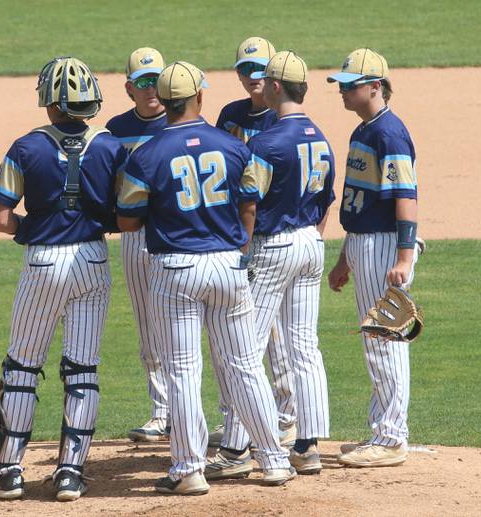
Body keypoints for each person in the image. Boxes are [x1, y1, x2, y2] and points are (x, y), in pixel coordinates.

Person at [117, 61, 295, 495]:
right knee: (246, 366)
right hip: (229, 267)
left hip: (176, 270)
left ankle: (188, 469)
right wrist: (238, 249)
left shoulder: (147, 155)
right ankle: (274, 460)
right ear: (200, 97)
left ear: (166, 101)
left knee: (183, 370)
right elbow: (250, 206)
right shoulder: (234, 147)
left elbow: (127, 223)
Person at [0, 56, 127, 502]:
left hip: (43, 263)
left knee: (23, 366)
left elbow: (1, 219)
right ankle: (70, 474)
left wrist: (38, 229)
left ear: (47, 101)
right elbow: (126, 212)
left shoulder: (26, 147)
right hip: (94, 260)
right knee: (82, 367)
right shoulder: (112, 147)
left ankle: (7, 472)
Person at [208, 51, 335, 479]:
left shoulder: (266, 143)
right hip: (310, 244)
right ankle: (308, 445)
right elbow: (325, 202)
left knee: (245, 348)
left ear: (276, 87)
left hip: (272, 246)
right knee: (305, 346)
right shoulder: (320, 137)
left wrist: (243, 253)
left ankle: (235, 447)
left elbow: (248, 203)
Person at [326, 48, 420, 468]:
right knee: (375, 339)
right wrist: (346, 258)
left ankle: (391, 437)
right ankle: (383, 430)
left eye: (350, 85)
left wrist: (403, 256)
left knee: (386, 339)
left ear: (375, 87)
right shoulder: (363, 131)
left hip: (385, 246)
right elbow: (359, 201)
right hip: (365, 242)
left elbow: (406, 198)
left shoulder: (390, 134)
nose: (342, 91)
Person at [209, 36, 297, 452]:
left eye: (260, 70)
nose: (253, 78)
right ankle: (244, 420)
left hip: (268, 235)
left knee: (271, 333)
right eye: (245, 70)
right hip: (235, 235)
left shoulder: (284, 119)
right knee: (241, 332)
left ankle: (284, 417)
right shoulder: (230, 115)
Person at [105, 47, 170, 443]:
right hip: (134, 236)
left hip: (177, 238)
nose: (151, 89)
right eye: (143, 82)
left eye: (156, 80)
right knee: (148, 324)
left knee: (186, 325)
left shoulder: (181, 121)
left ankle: (192, 410)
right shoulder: (115, 129)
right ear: (129, 88)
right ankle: (161, 411)